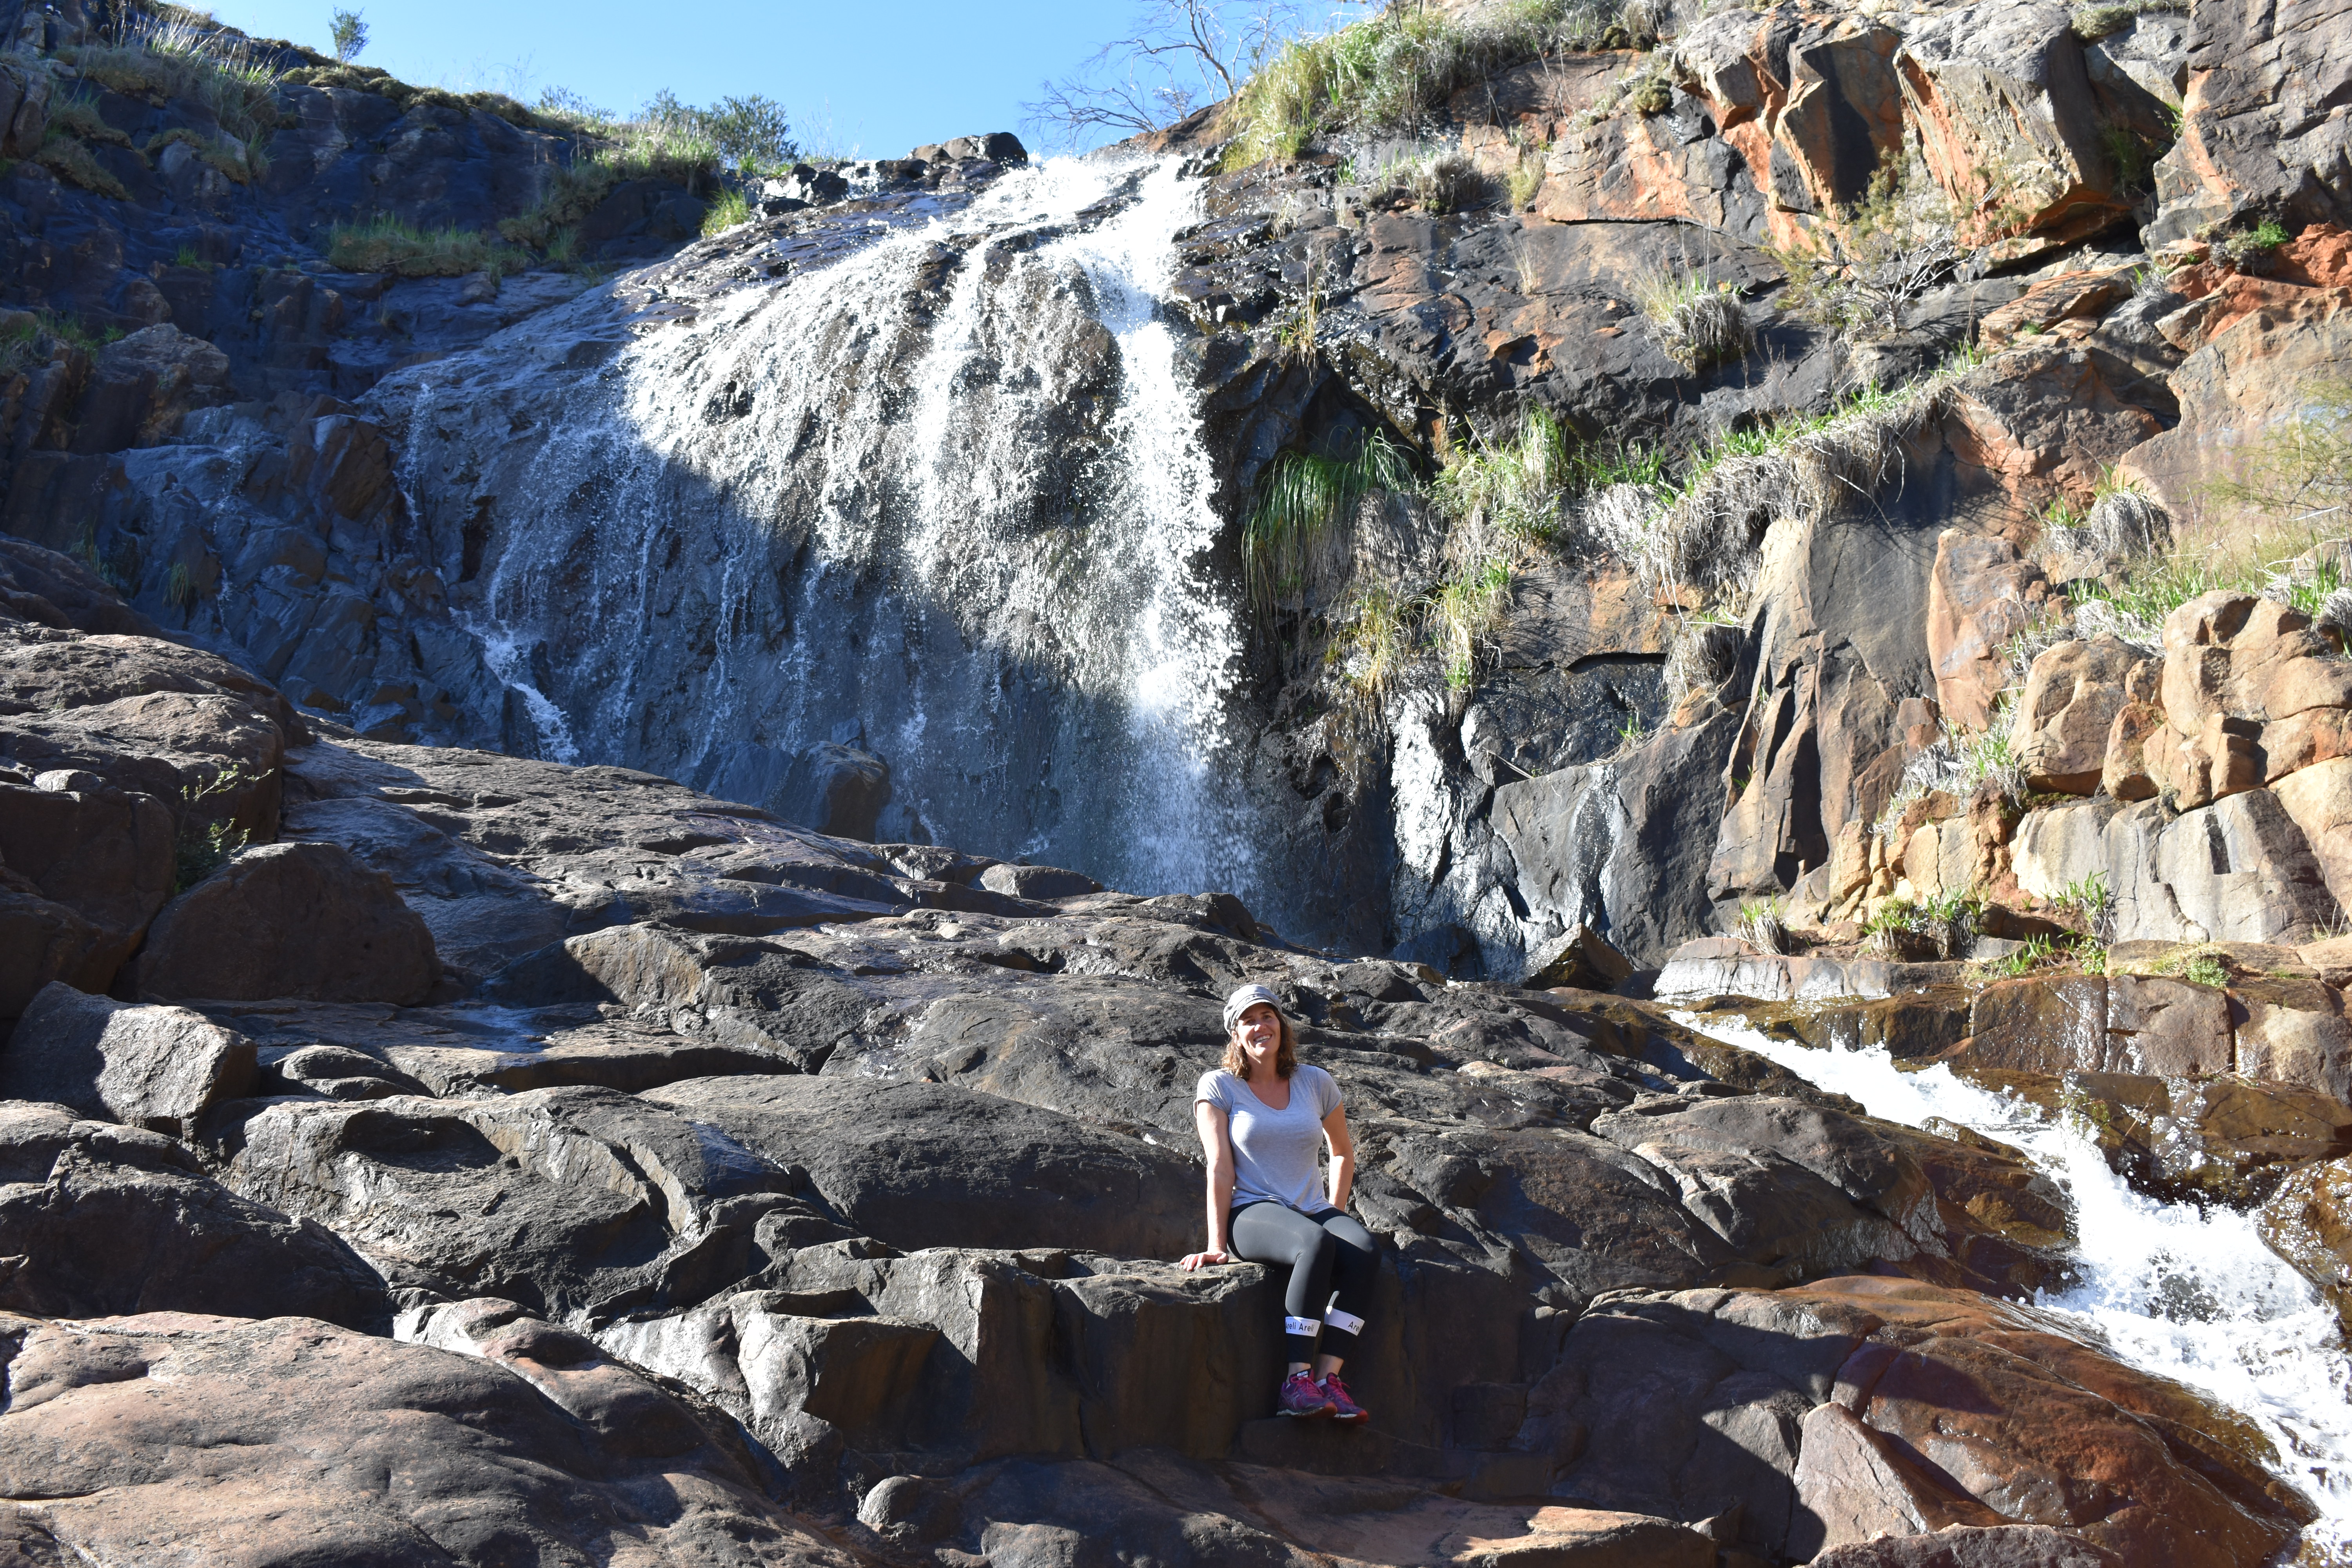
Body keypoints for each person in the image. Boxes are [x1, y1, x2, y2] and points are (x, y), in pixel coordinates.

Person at [1180, 982, 1380, 1423]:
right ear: (1236, 1034)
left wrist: (1337, 1212)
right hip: (1252, 1212)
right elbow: (1219, 1167)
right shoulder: (1219, 1086)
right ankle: (1296, 1382)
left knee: (1364, 1250)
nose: (1260, 1026)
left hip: (1312, 1207)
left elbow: (1343, 1152)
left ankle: (1329, 1380)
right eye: (1248, 1021)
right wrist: (1216, 1244)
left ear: (1281, 1024)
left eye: (1267, 1016)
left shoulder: (1315, 1081)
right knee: (1314, 1244)